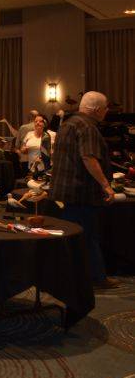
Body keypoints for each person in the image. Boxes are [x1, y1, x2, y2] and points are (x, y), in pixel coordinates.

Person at [49, 91, 118, 289]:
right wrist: (106, 185)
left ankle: (71, 277)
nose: (106, 113)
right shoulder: (87, 126)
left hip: (65, 191)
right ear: (96, 110)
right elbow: (89, 157)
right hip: (81, 192)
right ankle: (97, 277)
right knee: (88, 236)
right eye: (105, 109)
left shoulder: (68, 123)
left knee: (72, 236)